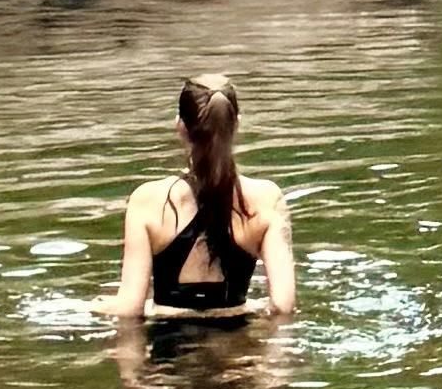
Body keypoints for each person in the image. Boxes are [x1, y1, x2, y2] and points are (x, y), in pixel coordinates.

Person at [102, 74, 296, 318]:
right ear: (236, 125)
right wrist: (252, 308)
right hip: (238, 337)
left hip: (169, 338)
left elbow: (130, 308)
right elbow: (283, 306)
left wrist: (91, 307)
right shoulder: (267, 198)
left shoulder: (148, 200)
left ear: (180, 127)